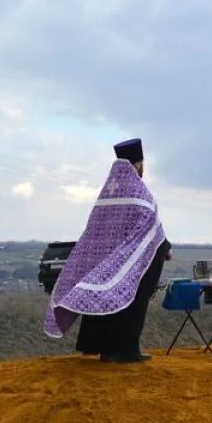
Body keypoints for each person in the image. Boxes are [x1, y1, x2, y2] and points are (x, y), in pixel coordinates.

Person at [44, 139, 172, 363]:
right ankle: (126, 351)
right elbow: (150, 224)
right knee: (133, 301)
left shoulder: (108, 192)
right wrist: (165, 248)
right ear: (138, 164)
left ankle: (104, 349)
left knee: (103, 298)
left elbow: (96, 229)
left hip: (103, 260)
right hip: (133, 262)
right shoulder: (139, 190)